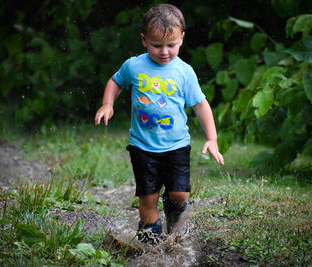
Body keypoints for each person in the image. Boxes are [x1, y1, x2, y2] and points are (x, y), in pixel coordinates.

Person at [94, 3, 224, 245]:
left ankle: (175, 211)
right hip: (142, 147)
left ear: (182, 39)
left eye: (171, 45)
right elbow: (115, 81)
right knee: (148, 197)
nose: (164, 51)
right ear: (144, 40)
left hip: (176, 146)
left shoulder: (184, 72)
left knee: (179, 193)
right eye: (157, 45)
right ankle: (149, 238)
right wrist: (108, 103)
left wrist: (212, 138)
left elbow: (201, 105)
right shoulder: (134, 65)